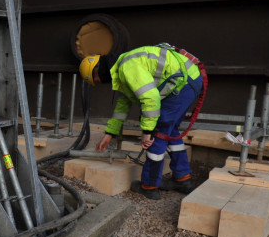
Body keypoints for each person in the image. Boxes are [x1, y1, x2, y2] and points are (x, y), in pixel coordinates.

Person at [79, 44, 204, 200]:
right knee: (169, 131)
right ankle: (183, 179)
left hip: (183, 83)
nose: (99, 82)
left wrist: (147, 131)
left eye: (96, 79)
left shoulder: (127, 66)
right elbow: (123, 105)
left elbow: (150, 98)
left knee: (157, 133)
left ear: (97, 69)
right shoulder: (122, 69)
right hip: (188, 80)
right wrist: (109, 134)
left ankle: (149, 186)